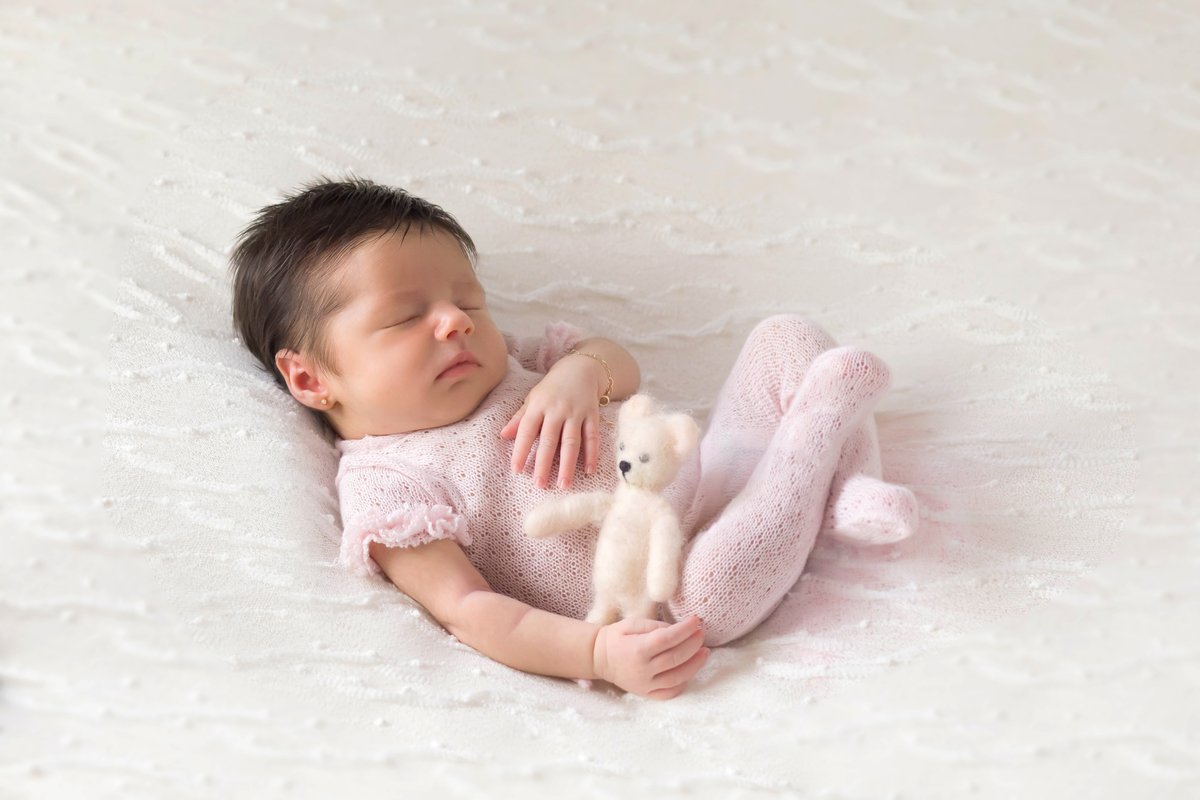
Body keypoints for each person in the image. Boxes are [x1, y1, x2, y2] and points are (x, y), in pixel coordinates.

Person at [229, 176, 917, 701]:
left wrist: (582, 374)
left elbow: (616, 358)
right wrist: (597, 655)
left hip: (712, 469)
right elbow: (470, 610)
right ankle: (825, 441)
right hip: (677, 582)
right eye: (407, 317)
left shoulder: (514, 361)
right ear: (310, 378)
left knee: (784, 338)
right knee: (719, 590)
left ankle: (844, 483)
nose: (456, 323)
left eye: (468, 302)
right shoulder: (389, 484)